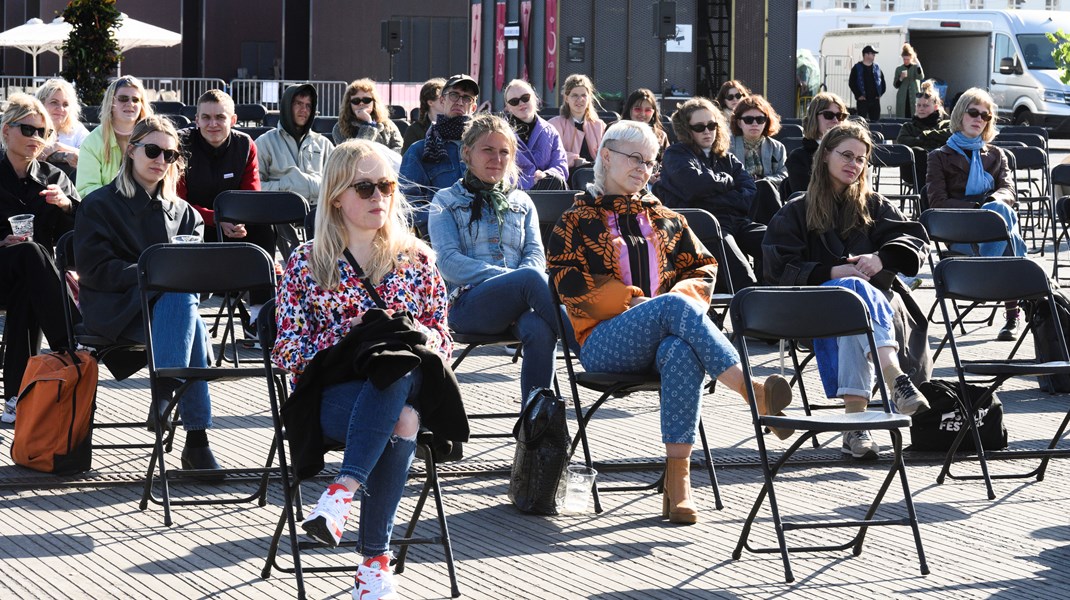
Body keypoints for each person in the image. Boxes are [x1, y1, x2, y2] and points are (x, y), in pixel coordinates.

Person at [548, 120, 794, 524]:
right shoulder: (575, 221)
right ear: (605, 157)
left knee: (680, 349)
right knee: (673, 309)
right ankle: (752, 390)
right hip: (603, 341)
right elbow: (567, 284)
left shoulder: (668, 220)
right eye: (634, 159)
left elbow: (702, 269)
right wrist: (636, 302)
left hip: (664, 338)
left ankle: (678, 483)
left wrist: (673, 302)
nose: (644, 169)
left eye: (650, 162)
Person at [273, 140, 465, 600]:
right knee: (402, 416)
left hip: (406, 387)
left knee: (399, 361)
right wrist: (351, 334)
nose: (379, 195)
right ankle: (374, 564)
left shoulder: (418, 260)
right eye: (365, 187)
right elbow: (287, 351)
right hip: (333, 399)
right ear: (337, 195)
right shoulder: (307, 264)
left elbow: (443, 340)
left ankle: (342, 491)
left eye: (387, 185)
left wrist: (406, 331)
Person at [764, 121, 931, 460]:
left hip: (872, 316)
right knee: (850, 290)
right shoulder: (796, 210)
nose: (853, 165)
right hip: (813, 313)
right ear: (825, 155)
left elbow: (915, 239)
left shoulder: (875, 206)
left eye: (861, 159)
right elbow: (776, 268)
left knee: (855, 304)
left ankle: (856, 428)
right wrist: (830, 271)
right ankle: (893, 374)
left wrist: (881, 257)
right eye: (846, 155)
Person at [74, 116, 223, 473]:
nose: (161, 160)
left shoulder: (186, 215)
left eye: (170, 155)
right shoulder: (98, 205)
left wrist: (170, 280)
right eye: (153, 150)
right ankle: (195, 438)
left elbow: (199, 278)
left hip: (170, 314)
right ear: (131, 150)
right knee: (185, 309)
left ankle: (166, 398)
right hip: (116, 307)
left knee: (182, 299)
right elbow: (95, 271)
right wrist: (152, 274)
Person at [429, 114, 559, 402]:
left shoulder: (522, 201)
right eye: (488, 150)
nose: (497, 159)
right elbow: (448, 262)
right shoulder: (446, 200)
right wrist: (512, 280)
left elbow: (535, 254)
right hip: (468, 305)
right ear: (467, 153)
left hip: (521, 305)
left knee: (539, 327)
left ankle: (536, 424)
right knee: (530, 279)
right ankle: (585, 345)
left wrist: (520, 284)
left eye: (504, 152)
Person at [0, 94, 79, 422]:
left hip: (36, 283)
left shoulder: (55, 178)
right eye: (29, 129)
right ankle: (73, 339)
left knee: (30, 281)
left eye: (44, 133)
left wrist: (67, 206)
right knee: (32, 255)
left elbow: (78, 237)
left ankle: (15, 397)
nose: (37, 138)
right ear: (6, 131)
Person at [926, 87, 1024, 341]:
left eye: (986, 115)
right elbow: (937, 202)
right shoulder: (939, 157)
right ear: (960, 115)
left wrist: (990, 206)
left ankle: (989, 272)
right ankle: (1015, 308)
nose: (980, 119)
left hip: (994, 228)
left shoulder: (996, 155)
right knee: (1003, 227)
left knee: (1000, 209)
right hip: (961, 233)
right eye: (974, 112)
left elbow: (1009, 190)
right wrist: (978, 212)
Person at [177, 89, 274, 326]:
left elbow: (251, 196)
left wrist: (238, 220)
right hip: (194, 227)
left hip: (234, 226)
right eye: (206, 117)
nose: (213, 124)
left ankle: (259, 314)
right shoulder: (180, 144)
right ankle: (186, 310)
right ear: (196, 119)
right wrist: (216, 219)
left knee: (265, 227)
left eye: (220, 117)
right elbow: (177, 203)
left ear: (233, 120)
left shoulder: (244, 145)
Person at [656, 97, 763, 290]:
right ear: (687, 129)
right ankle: (751, 313)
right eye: (699, 127)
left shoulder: (726, 157)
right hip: (708, 227)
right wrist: (727, 181)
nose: (707, 131)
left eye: (712, 125)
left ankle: (776, 298)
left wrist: (713, 197)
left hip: (737, 222)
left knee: (774, 243)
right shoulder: (676, 154)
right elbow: (695, 185)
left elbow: (749, 191)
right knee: (744, 278)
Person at [257, 83, 334, 255]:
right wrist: (287, 187)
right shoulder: (265, 142)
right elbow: (256, 187)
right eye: (298, 103)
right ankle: (295, 260)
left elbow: (337, 182)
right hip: (280, 208)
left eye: (308, 105)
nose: (304, 110)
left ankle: (320, 261)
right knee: (278, 211)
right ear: (286, 106)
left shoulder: (323, 144)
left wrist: (307, 184)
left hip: (317, 207)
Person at [400, 74, 480, 233]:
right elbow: (407, 203)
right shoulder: (419, 150)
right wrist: (445, 222)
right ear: (442, 100)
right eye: (454, 95)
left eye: (466, 98)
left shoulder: (485, 149)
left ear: (473, 107)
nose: (459, 101)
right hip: (438, 240)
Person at [76, 76, 153, 198]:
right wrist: (120, 199)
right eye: (123, 99)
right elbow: (86, 189)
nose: (130, 104)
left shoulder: (153, 137)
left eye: (136, 99)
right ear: (111, 103)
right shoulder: (93, 142)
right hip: (107, 211)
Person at [729, 94, 787, 225]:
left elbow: (783, 174)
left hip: (769, 198)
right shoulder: (727, 146)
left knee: (764, 186)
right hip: (740, 197)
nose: (755, 124)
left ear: (766, 122)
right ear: (739, 122)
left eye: (760, 119)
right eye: (749, 120)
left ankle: (778, 228)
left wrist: (764, 181)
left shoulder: (777, 147)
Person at [501, 79, 568, 191]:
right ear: (508, 107)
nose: (521, 103)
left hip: (548, 190)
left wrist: (545, 176)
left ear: (535, 98)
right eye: (514, 101)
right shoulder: (501, 133)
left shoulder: (550, 131)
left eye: (525, 98)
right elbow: (500, 173)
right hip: (516, 194)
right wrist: (531, 181)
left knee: (555, 180)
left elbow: (561, 165)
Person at [785, 92, 849, 197]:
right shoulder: (798, 157)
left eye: (840, 116)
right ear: (814, 118)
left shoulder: (853, 153)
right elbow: (804, 198)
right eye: (828, 115)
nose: (835, 120)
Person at [896, 79, 950, 186]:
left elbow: (951, 136)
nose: (921, 109)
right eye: (918, 105)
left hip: (941, 170)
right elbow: (902, 141)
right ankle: (926, 198)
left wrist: (926, 135)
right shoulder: (909, 126)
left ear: (935, 107)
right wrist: (920, 140)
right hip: (913, 172)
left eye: (925, 106)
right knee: (917, 153)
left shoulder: (945, 124)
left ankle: (924, 199)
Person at [548, 74, 606, 171]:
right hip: (567, 174)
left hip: (596, 174)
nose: (580, 100)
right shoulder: (554, 124)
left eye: (583, 95)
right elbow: (551, 153)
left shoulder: (599, 126)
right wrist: (575, 160)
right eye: (574, 95)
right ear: (566, 98)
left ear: (589, 98)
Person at [35, 78, 89, 181]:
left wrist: (58, 146)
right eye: (54, 102)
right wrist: (65, 156)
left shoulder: (77, 129)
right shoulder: (31, 128)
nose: (60, 109)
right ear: (41, 104)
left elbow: (92, 155)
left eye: (65, 104)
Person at [332, 78, 403, 153]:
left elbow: (399, 149)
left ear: (374, 102)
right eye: (356, 101)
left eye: (366, 100)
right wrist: (368, 125)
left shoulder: (388, 125)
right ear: (349, 104)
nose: (361, 103)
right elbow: (355, 154)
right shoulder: (340, 127)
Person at [401, 77, 445, 153]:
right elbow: (408, 160)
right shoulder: (414, 130)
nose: (447, 101)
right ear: (430, 102)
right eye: (442, 98)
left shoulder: (455, 126)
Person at [622, 88, 670, 156]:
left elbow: (666, 163)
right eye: (638, 109)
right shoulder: (616, 132)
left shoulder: (661, 137)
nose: (643, 114)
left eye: (648, 110)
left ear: (653, 113)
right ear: (629, 110)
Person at [849, 45, 886, 122]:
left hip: (875, 101)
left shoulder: (877, 67)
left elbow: (882, 82)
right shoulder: (857, 67)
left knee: (875, 123)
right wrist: (858, 95)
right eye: (872, 54)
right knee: (861, 122)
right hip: (863, 101)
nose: (874, 56)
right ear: (866, 55)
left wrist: (879, 94)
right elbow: (851, 83)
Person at [893, 43, 925, 119]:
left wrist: (918, 64)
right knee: (902, 115)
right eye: (904, 59)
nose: (906, 61)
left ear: (911, 58)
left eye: (907, 59)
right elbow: (895, 85)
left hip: (914, 94)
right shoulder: (899, 69)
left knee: (914, 113)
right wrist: (901, 78)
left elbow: (921, 77)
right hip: (902, 96)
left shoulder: (914, 67)